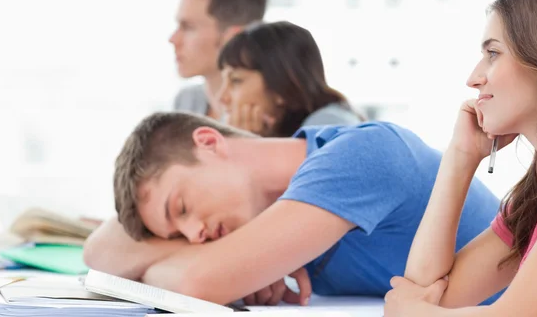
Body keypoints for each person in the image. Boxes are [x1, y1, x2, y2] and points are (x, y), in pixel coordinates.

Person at [83, 112, 500, 306]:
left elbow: (198, 283)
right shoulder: (285, 213)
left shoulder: (360, 155)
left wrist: (212, 270)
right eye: (176, 237)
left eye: (183, 207)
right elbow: (99, 252)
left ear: (209, 142)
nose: (194, 235)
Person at [384, 0, 537, 317]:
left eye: (493, 53)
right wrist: (460, 158)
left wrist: (414, 313)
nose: (473, 78)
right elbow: (429, 291)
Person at [217, 21, 362, 136]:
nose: (222, 97)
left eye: (236, 80)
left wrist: (246, 146)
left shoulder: (327, 127)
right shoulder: (274, 130)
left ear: (281, 85)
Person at [170, 0, 266, 120]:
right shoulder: (186, 103)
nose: (173, 39)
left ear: (233, 38)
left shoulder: (275, 116)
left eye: (189, 27)